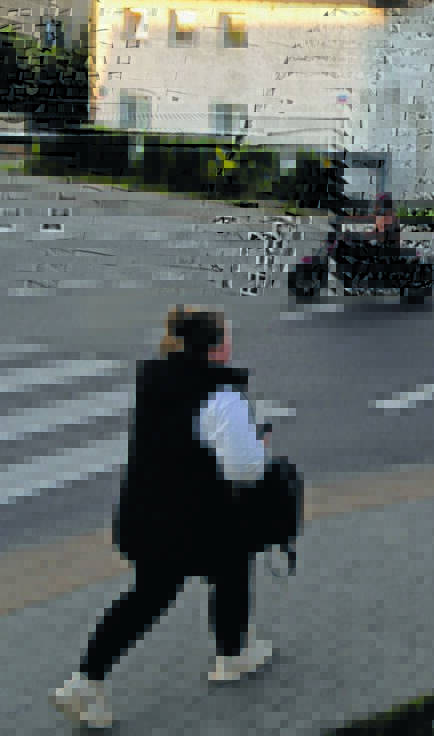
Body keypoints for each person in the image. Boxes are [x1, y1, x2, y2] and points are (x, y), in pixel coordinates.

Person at [51, 306, 275, 729]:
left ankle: (86, 679)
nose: (231, 341)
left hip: (146, 509)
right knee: (231, 562)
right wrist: (261, 447)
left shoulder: (154, 379)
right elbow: (243, 468)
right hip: (199, 515)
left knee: (151, 595)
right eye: (226, 335)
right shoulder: (220, 395)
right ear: (215, 346)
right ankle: (232, 655)